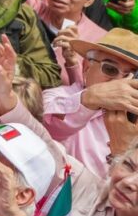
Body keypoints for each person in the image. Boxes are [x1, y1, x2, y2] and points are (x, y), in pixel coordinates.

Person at [42, 28, 138, 179]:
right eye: (110, 69)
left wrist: (121, 151)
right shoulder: (57, 96)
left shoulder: (134, 122)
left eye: (131, 76)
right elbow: (46, 126)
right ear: (87, 67)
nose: (120, 82)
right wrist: (91, 98)